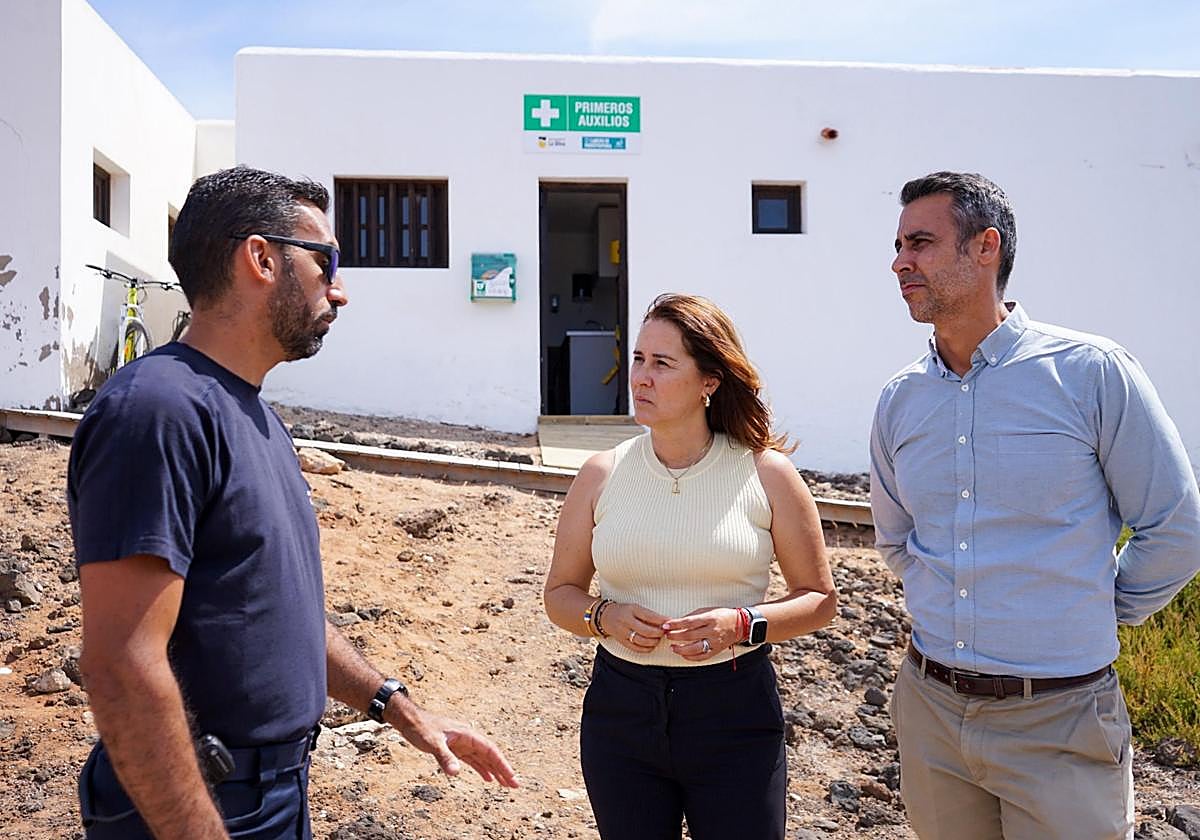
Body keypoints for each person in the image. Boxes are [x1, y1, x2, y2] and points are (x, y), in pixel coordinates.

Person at [69, 166, 518, 840]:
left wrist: (400, 708)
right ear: (259, 257)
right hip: (195, 801)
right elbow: (123, 666)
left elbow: (277, 612)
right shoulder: (159, 412)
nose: (339, 291)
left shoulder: (248, 411)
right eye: (325, 260)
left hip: (269, 794)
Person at [870, 170, 1200, 840]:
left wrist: (1095, 608)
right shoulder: (900, 399)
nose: (900, 261)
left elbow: (1177, 526)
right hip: (931, 716)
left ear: (985, 247)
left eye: (922, 242)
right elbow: (897, 541)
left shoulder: (1091, 373)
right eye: (899, 244)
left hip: (1061, 721)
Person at [543, 293, 837, 839]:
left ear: (709, 381)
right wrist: (604, 616)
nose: (641, 378)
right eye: (637, 359)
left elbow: (819, 598)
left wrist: (742, 624)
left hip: (734, 713)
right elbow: (560, 592)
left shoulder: (767, 474)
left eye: (662, 363)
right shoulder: (600, 474)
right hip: (620, 712)